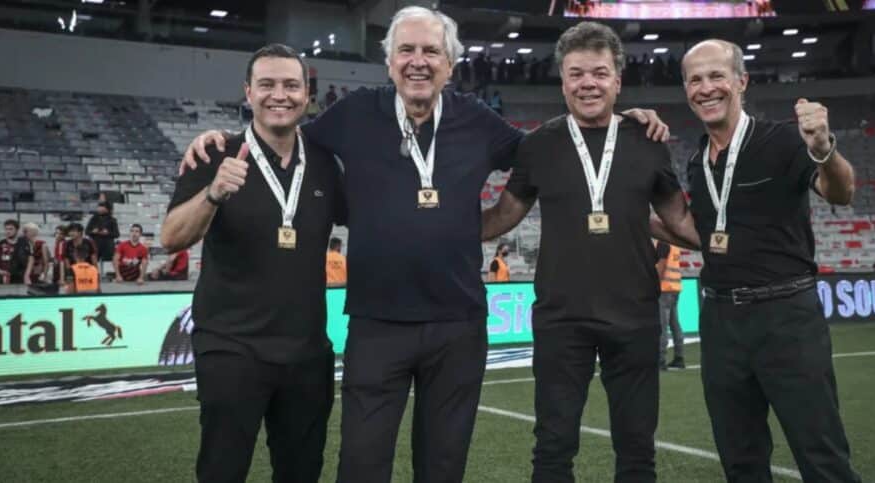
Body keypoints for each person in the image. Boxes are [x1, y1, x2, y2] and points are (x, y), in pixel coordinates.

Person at [179, 8, 669, 482]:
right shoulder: (353, 114)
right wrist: (222, 137)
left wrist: (622, 121)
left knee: (442, 467)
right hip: (376, 323)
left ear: (450, 64)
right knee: (363, 465)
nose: (419, 60)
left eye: (431, 50)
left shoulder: (477, 119)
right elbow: (280, 130)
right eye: (406, 49)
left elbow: (553, 149)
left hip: (457, 327)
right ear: (389, 61)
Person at [481, 22, 697, 483]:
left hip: (636, 312)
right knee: (554, 447)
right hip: (562, 317)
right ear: (562, 81)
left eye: (599, 73)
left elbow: (679, 221)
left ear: (618, 81)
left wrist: (741, 240)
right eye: (576, 73)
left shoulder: (648, 140)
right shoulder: (538, 145)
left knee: (637, 449)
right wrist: (436, 229)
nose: (588, 83)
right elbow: (503, 216)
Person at [160, 43, 346, 482]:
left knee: (302, 472)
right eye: (266, 84)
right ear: (248, 92)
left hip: (306, 351)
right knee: (223, 470)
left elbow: (374, 217)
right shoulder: (214, 153)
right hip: (231, 346)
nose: (278, 94)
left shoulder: (322, 162)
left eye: (290, 85)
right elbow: (171, 238)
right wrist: (213, 194)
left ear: (306, 94)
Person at [680, 39, 861, 482]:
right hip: (720, 319)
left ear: (741, 81)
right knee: (740, 460)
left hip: (786, 317)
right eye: (695, 80)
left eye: (716, 75)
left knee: (821, 455)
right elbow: (704, 235)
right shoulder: (695, 162)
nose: (706, 88)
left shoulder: (783, 139)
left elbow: (841, 192)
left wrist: (822, 146)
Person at [655, 239, 685, 370]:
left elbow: (661, 266)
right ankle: (679, 357)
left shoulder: (663, 243)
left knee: (662, 326)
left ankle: (660, 360)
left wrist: (653, 285)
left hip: (664, 289)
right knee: (675, 324)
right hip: (675, 288)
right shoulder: (675, 244)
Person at [85, 201, 119, 270]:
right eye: (99, 207)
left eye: (101, 207)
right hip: (95, 245)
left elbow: (117, 234)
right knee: (92, 263)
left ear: (107, 209)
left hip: (107, 246)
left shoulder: (112, 220)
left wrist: (108, 233)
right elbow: (87, 232)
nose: (99, 208)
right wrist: (93, 232)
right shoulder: (93, 219)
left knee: (108, 263)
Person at [0, 219, 30, 284]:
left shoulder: (25, 244)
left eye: (11, 229)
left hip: (21, 279)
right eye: (6, 229)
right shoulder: (0, 244)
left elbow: (31, 261)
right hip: (3, 279)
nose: (8, 231)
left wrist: (27, 275)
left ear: (17, 230)